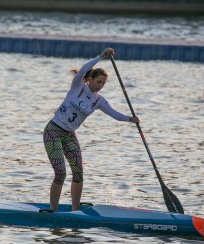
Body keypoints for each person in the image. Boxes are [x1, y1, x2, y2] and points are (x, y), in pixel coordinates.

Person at [42, 47, 140, 212]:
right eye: (98, 81)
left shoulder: (98, 100)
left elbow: (114, 114)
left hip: (69, 135)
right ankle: (53, 210)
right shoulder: (78, 86)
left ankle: (75, 211)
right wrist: (101, 56)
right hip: (53, 131)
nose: (100, 86)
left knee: (78, 173)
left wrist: (130, 119)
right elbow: (83, 69)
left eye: (103, 83)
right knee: (61, 173)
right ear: (90, 79)